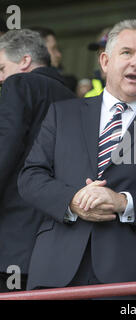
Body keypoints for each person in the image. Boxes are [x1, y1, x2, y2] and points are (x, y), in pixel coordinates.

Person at [18, 19, 136, 300]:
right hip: (54, 271)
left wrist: (124, 202)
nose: (135, 63)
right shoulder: (62, 114)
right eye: (126, 53)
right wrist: (72, 201)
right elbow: (30, 178)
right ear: (105, 61)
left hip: (128, 277)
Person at [0, 29, 75, 292]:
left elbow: (5, 146)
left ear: (24, 61)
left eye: (2, 67)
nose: (0, 76)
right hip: (53, 240)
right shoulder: (71, 97)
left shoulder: (18, 84)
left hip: (12, 236)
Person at [85, 27, 110, 98]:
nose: (101, 61)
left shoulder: (132, 95)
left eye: (106, 55)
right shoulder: (89, 96)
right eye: (99, 54)